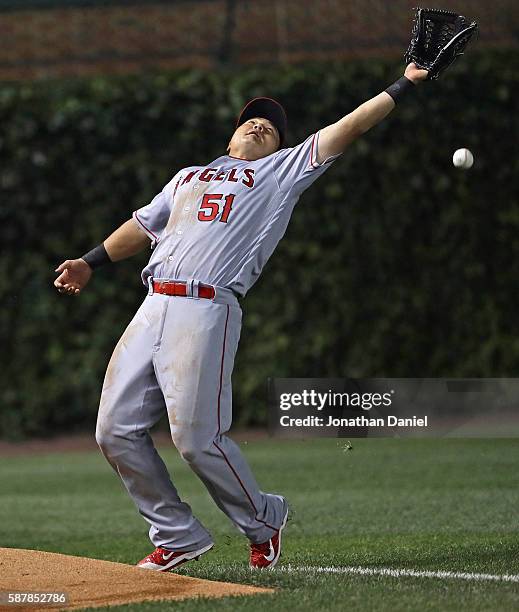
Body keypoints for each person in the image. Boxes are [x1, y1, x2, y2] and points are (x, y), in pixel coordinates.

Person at [54, 63, 428, 571]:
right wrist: (89, 261)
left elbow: (351, 126)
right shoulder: (187, 177)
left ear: (278, 146)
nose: (259, 126)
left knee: (196, 439)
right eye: (251, 121)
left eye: (270, 127)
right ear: (232, 133)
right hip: (152, 305)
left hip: (208, 308)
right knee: (114, 431)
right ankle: (178, 534)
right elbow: (141, 226)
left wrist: (404, 83)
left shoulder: (280, 173)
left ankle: (263, 519)